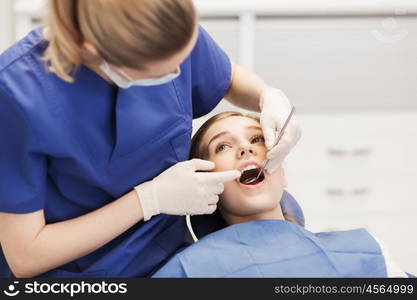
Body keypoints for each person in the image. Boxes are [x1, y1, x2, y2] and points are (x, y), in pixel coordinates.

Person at [0, 0, 301, 278]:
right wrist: (148, 200)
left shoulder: (161, 20)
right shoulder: (15, 97)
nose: (179, 72)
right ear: (93, 51)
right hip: (83, 273)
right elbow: (26, 255)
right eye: (161, 72)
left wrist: (267, 95)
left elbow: (227, 77)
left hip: (173, 248)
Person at [152, 111, 407, 278]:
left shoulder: (368, 251)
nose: (245, 148)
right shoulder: (187, 271)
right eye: (223, 146)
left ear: (282, 174)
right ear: (205, 186)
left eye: (257, 139)